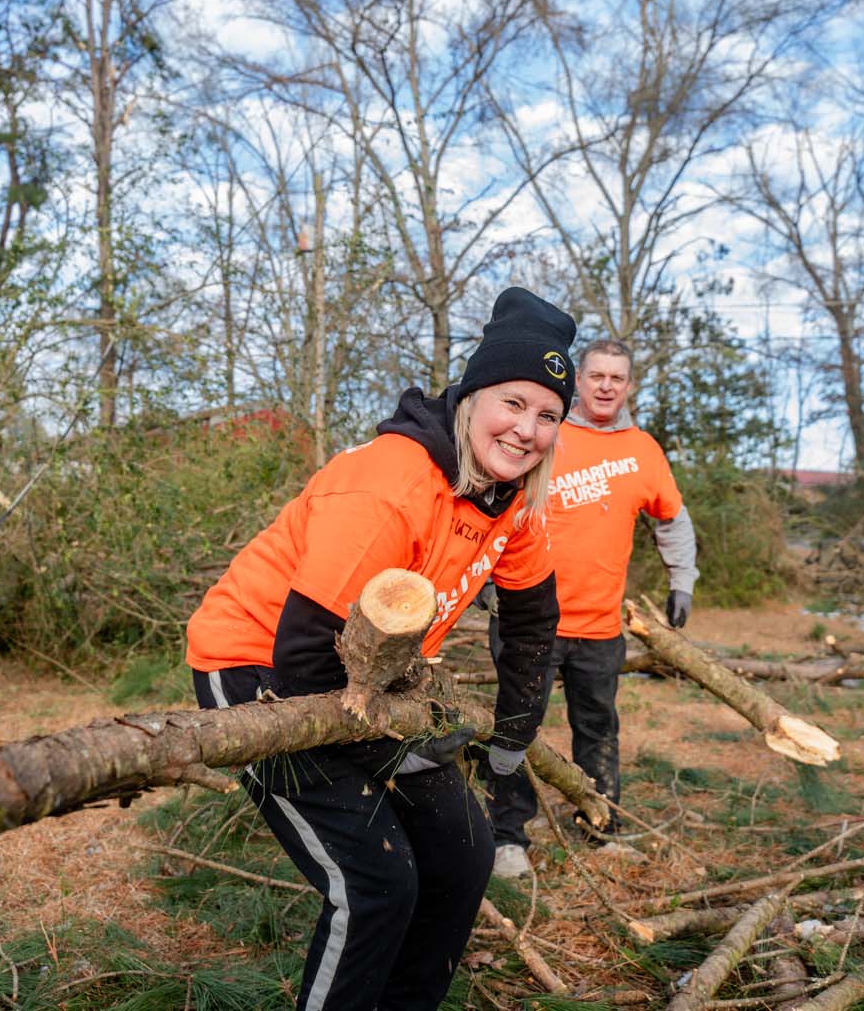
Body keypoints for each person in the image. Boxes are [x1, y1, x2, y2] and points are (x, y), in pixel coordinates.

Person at [184, 287, 577, 1011]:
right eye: (512, 403)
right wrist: (407, 747)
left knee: (464, 858)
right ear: (471, 397)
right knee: (375, 883)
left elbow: (531, 624)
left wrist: (511, 746)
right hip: (258, 665)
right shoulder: (394, 482)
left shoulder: (510, 502)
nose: (526, 430)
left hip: (374, 679)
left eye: (548, 415)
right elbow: (304, 654)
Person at [485, 338, 698, 879]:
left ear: (628, 385)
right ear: (579, 379)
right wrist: (483, 575)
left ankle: (600, 827)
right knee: (516, 724)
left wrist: (683, 580)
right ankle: (507, 837)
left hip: (601, 625)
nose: (606, 385)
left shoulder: (644, 449)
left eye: (617, 378)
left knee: (599, 729)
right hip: (530, 618)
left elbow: (672, 518)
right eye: (597, 375)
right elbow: (495, 499)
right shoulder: (546, 434)